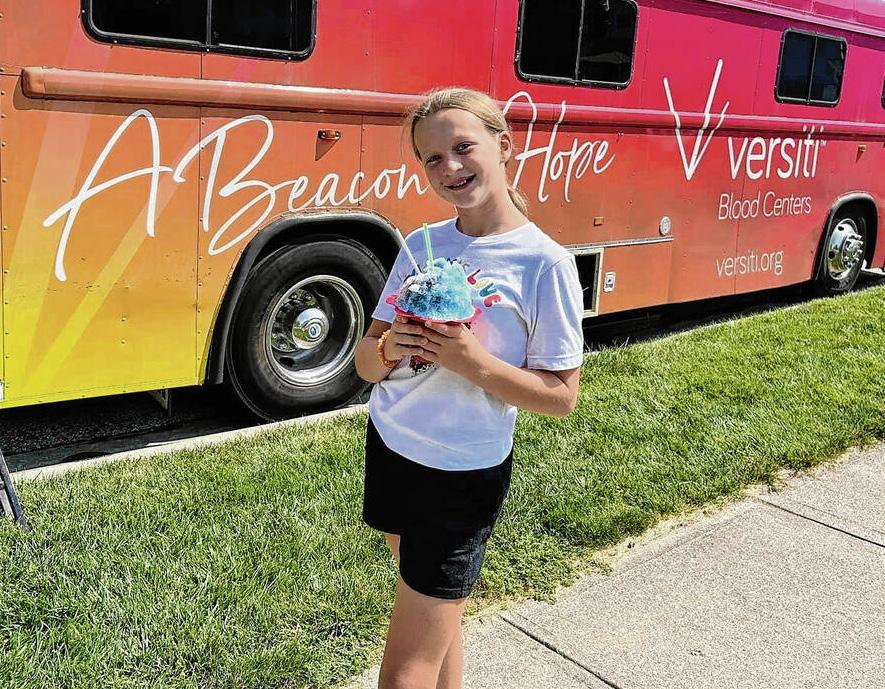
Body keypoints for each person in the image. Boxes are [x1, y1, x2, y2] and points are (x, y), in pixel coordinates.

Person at [354, 87, 585, 689]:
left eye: (463, 147)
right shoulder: (423, 245)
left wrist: (471, 361)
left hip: (460, 472)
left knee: (407, 664)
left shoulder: (544, 263)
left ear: (503, 145)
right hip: (393, 443)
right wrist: (393, 346)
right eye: (432, 158)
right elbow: (365, 364)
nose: (449, 167)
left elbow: (561, 397)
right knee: (433, 608)